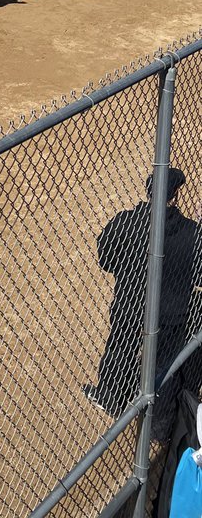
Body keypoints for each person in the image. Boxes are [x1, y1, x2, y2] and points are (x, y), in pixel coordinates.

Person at [84, 168, 202, 437]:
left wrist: (126, 269)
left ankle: (110, 394)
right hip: (169, 315)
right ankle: (159, 427)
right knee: (164, 366)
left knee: (121, 344)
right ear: (175, 195)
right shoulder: (191, 233)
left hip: (130, 304)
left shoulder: (127, 222)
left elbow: (104, 256)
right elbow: (198, 275)